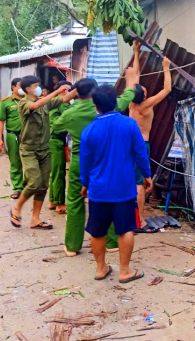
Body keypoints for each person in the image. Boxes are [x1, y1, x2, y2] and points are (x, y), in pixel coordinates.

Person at [52, 67, 141, 256]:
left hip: (79, 159)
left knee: (75, 201)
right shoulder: (108, 106)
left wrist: (67, 98)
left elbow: (54, 126)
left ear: (77, 92)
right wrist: (132, 78)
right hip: (107, 160)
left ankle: (72, 246)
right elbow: (128, 94)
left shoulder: (69, 113)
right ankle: (111, 242)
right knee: (108, 199)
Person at [79, 84, 151, 282]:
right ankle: (125, 271)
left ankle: (101, 268)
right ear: (115, 102)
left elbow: (85, 162)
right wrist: (147, 175)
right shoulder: (129, 124)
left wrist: (84, 184)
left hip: (98, 190)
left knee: (97, 230)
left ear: (96, 105)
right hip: (124, 189)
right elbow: (140, 152)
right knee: (126, 229)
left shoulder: (89, 130)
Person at [10, 76, 73, 230]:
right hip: (29, 150)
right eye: (35, 85)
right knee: (34, 182)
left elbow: (64, 100)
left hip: (44, 149)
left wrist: (80, 88)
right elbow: (36, 105)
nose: (38, 88)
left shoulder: (45, 103)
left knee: (43, 185)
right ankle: (16, 208)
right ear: (27, 89)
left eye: (38, 85)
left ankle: (35, 219)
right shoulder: (24, 103)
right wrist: (57, 91)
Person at [129, 41, 172, 233]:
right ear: (143, 96)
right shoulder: (146, 105)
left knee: (130, 181)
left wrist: (136, 53)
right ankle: (140, 221)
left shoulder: (130, 101)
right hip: (140, 146)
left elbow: (135, 76)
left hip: (127, 144)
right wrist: (166, 68)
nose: (145, 89)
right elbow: (167, 90)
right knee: (140, 185)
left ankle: (131, 216)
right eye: (145, 91)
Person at [0, 78, 25, 199]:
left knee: (32, 161)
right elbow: (0, 122)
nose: (22, 89)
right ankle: (18, 188)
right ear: (13, 87)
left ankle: (30, 187)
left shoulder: (30, 100)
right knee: (15, 161)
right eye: (20, 86)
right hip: (13, 135)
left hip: (29, 135)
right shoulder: (5, 102)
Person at [48, 80, 72, 214]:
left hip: (53, 140)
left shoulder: (54, 101)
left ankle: (52, 200)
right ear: (64, 91)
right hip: (56, 140)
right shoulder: (61, 103)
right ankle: (59, 203)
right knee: (59, 173)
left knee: (55, 172)